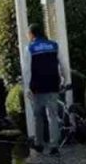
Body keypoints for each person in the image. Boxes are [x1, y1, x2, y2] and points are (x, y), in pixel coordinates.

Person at [26, 23, 64, 155]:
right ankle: (54, 145)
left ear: (32, 34)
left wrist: (27, 87)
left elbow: (27, 69)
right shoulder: (54, 45)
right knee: (52, 115)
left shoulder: (30, 48)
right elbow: (62, 63)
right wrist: (64, 79)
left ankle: (39, 143)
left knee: (38, 115)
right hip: (53, 84)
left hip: (38, 86)